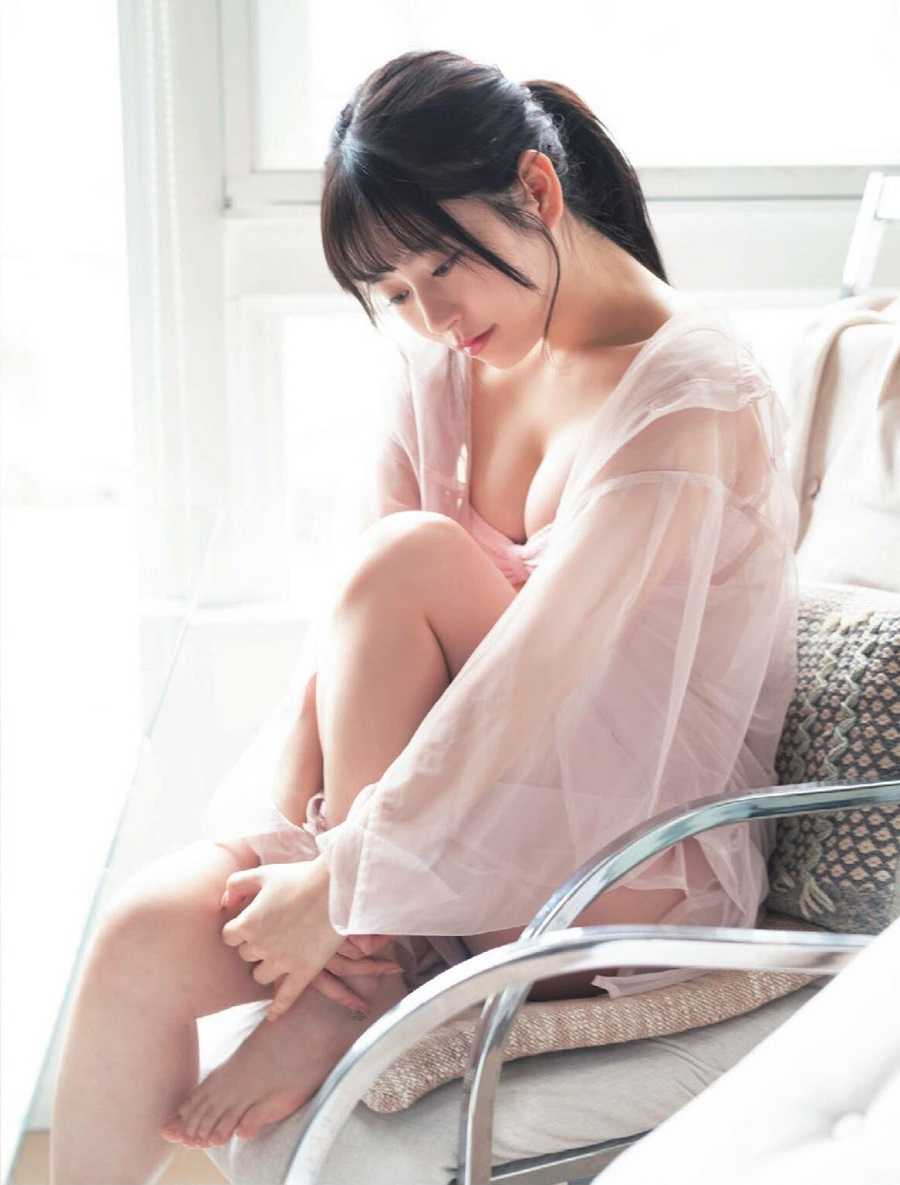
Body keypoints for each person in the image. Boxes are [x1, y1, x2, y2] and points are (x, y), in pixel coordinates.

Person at [50, 49, 799, 1181]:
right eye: (395, 292)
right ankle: (367, 964)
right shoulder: (445, 367)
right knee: (138, 940)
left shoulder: (689, 396)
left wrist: (346, 887)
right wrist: (302, 853)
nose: (433, 315)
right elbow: (344, 650)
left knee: (413, 558)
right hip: (425, 829)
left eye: (443, 265)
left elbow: (536, 688)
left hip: (618, 862)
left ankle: (362, 972)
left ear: (537, 190)